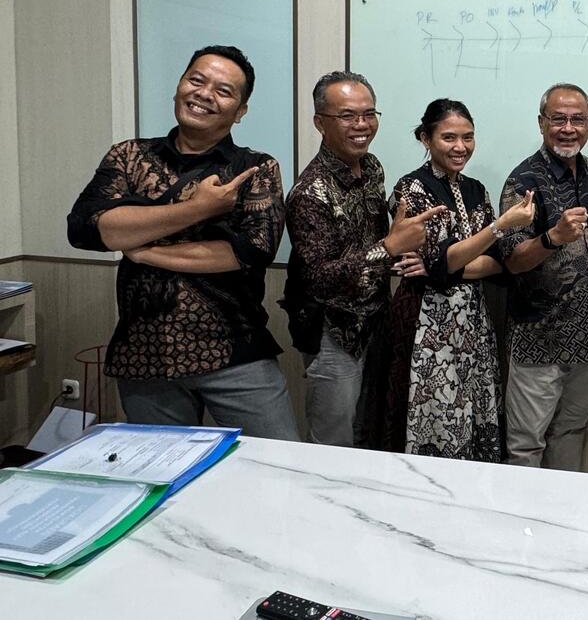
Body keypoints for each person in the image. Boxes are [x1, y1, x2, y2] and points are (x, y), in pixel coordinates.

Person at [66, 45, 298, 439]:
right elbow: (87, 230)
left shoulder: (254, 168)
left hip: (235, 351)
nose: (205, 94)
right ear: (178, 86)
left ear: (240, 111)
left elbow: (249, 252)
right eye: (196, 80)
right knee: (160, 469)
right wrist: (198, 209)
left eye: (224, 91)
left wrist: (144, 250)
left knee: (279, 461)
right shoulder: (129, 156)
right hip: (145, 355)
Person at [360, 98, 534, 461]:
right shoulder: (411, 188)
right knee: (430, 421)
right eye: (449, 137)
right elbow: (443, 259)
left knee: (474, 420)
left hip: (473, 326)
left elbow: (496, 263)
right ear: (426, 138)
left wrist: (445, 264)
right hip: (425, 326)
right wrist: (498, 227)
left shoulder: (476, 189)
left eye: (468, 137)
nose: (460, 147)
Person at [283, 71, 442, 447]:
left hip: (376, 321)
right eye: (347, 115)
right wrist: (389, 246)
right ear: (320, 122)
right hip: (333, 332)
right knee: (334, 441)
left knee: (369, 434)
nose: (361, 124)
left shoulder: (371, 168)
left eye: (369, 113)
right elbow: (319, 278)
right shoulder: (309, 193)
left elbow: (382, 236)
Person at [498, 83, 588, 470]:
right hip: (540, 340)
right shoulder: (523, 182)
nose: (568, 128)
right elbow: (513, 260)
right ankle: (521, 510)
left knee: (571, 431)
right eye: (558, 119)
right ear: (541, 123)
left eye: (577, 119)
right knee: (526, 445)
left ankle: (561, 507)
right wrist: (553, 237)